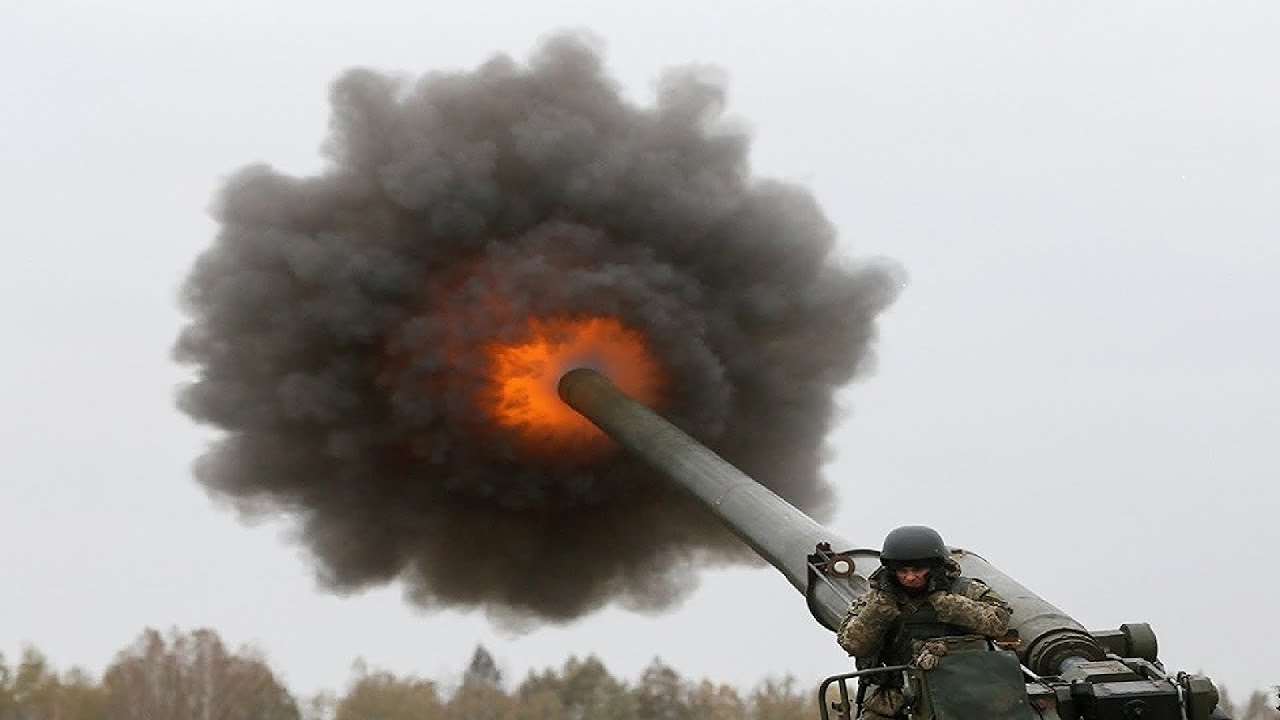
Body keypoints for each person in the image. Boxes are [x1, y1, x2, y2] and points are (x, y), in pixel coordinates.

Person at [836, 525, 1012, 719]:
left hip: (963, 693)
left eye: (918, 569)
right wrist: (881, 608)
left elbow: (998, 623)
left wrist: (944, 602)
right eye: (903, 570)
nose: (910, 577)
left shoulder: (965, 590)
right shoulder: (876, 599)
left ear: (935, 567)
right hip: (895, 699)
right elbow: (853, 644)